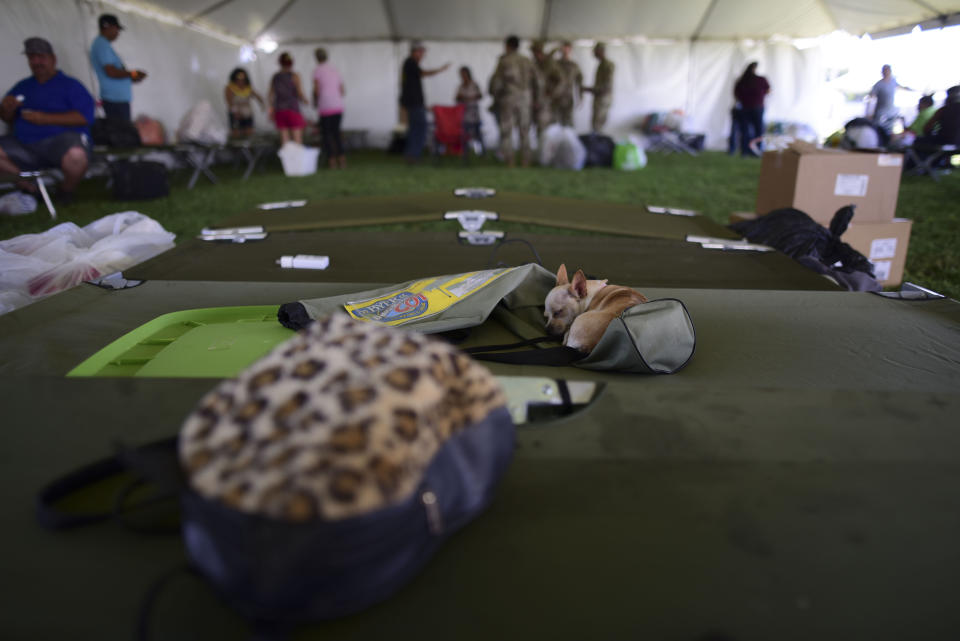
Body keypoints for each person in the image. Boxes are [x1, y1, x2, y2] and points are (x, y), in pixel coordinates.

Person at [0, 38, 95, 204]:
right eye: (32, 58)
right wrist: (6, 109)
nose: (36, 62)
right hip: (24, 144)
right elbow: (6, 118)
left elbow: (85, 117)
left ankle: (65, 191)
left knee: (76, 156)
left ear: (53, 59)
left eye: (41, 57)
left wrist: (44, 118)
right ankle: (31, 189)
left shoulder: (71, 85)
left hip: (60, 142)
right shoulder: (22, 86)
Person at [489, 35, 538, 167]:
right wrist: (536, 99)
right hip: (525, 100)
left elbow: (497, 82)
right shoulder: (527, 61)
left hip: (509, 98)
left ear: (507, 46)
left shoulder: (504, 61)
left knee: (507, 130)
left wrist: (494, 96)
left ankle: (509, 161)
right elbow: (538, 82)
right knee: (524, 130)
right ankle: (526, 161)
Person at [89, 14, 146, 122]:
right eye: (117, 29)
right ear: (108, 27)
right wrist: (133, 73)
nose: (118, 33)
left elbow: (116, 72)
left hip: (117, 99)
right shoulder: (101, 44)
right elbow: (110, 72)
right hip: (114, 100)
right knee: (121, 134)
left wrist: (133, 76)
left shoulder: (103, 45)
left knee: (122, 133)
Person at [399, 40, 450, 163]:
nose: (422, 55)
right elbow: (423, 74)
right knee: (419, 128)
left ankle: (412, 155)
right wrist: (440, 69)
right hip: (414, 104)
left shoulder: (409, 64)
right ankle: (413, 154)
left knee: (416, 128)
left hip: (415, 104)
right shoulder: (410, 63)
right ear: (415, 52)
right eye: (421, 52)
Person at [312, 48, 346, 169]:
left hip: (325, 107)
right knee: (336, 134)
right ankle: (342, 161)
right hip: (338, 107)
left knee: (327, 135)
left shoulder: (317, 70)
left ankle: (332, 162)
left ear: (316, 58)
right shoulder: (334, 70)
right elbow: (342, 90)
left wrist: (315, 101)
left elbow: (316, 90)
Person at [268, 52, 307, 145]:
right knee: (297, 139)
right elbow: (299, 93)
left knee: (285, 140)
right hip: (293, 109)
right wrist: (305, 100)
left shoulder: (275, 77)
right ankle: (298, 159)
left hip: (280, 110)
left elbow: (270, 94)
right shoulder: (294, 76)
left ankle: (287, 159)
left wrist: (271, 109)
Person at [733, 62, 770, 156]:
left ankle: (746, 151)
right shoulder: (760, 79)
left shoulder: (742, 80)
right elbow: (768, 91)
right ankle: (755, 151)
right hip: (756, 107)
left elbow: (736, 94)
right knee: (757, 130)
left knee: (746, 130)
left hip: (746, 108)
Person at [529, 40, 560, 143]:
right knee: (538, 125)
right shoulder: (535, 64)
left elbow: (560, 80)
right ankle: (541, 149)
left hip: (546, 101)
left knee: (544, 125)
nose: (534, 54)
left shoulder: (550, 64)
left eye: (535, 52)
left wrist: (551, 94)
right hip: (536, 100)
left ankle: (545, 150)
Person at [583, 42, 614, 133]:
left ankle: (597, 145)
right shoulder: (602, 65)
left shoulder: (607, 65)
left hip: (602, 100)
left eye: (595, 52)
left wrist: (589, 89)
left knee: (597, 126)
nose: (594, 54)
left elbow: (606, 86)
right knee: (597, 126)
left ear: (600, 51)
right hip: (601, 99)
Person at [224, 67, 264, 138]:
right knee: (236, 133)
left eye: (243, 79)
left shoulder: (248, 88)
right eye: (238, 79)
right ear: (234, 79)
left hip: (247, 114)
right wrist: (235, 111)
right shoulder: (230, 88)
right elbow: (229, 102)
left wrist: (262, 104)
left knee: (249, 132)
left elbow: (258, 97)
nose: (241, 81)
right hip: (235, 113)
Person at [553, 40, 582, 127]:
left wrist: (580, 97)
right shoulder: (555, 64)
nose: (565, 50)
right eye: (563, 48)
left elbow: (579, 82)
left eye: (567, 48)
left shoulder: (574, 65)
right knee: (556, 122)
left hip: (568, 97)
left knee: (568, 123)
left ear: (570, 50)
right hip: (556, 98)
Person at [455, 66, 484, 154]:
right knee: (465, 134)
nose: (462, 76)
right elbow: (457, 98)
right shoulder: (461, 86)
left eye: (464, 74)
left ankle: (481, 153)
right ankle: (465, 152)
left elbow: (480, 95)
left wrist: (470, 98)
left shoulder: (474, 84)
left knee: (477, 134)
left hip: (474, 113)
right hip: (464, 114)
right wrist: (462, 98)